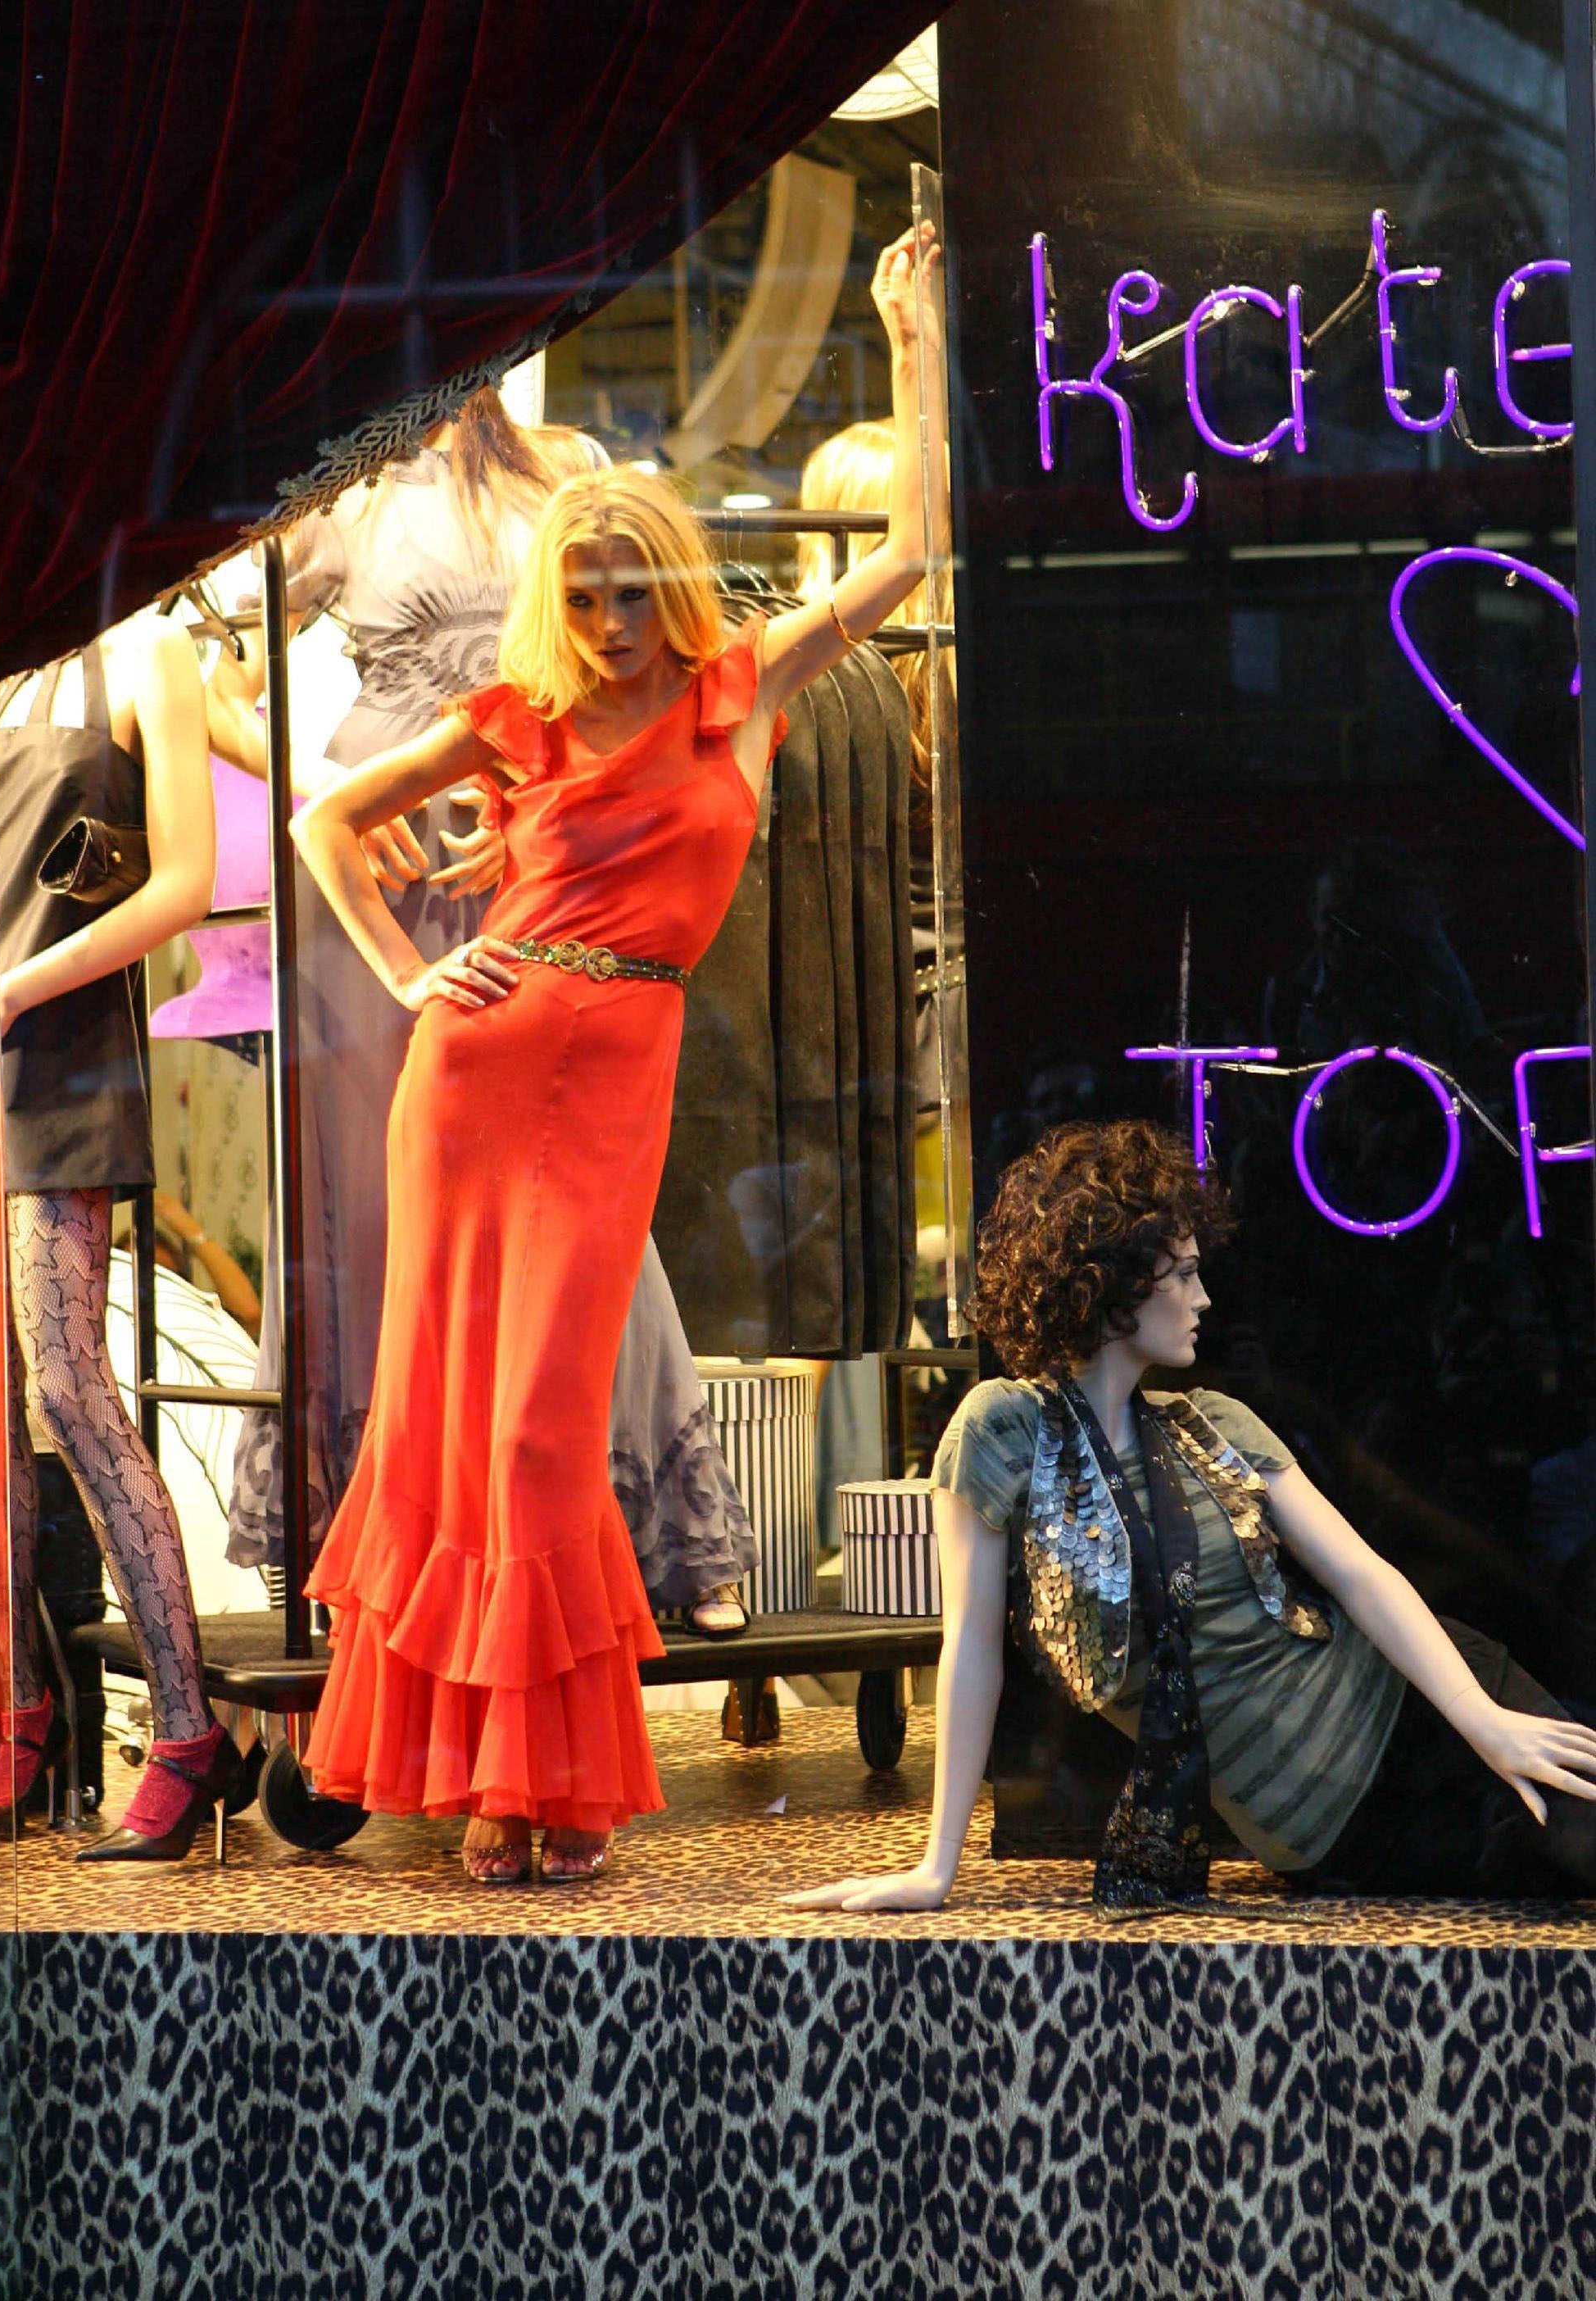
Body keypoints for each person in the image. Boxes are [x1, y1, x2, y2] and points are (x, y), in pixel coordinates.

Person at [290, 225, 941, 1883]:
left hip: (621, 1060)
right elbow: (328, 824)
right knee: (445, 1412)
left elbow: (913, 553)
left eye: (627, 583)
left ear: (668, 578)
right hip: (485, 1065)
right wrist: (408, 977)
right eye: (580, 592)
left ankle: (538, 1775)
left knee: (540, 1427)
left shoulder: (733, 692)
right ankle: (488, 1784)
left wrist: (915, 344)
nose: (606, 612)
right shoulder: (511, 719)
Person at [199, 388, 757, 1631]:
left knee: (582, 1200)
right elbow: (208, 693)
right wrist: (330, 778)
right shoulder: (341, 490)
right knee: (373, 1199)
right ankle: (379, 1541)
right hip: (390, 850)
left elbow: (631, 658)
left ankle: (667, 1534)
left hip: (547, 844)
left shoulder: (572, 471)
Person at [789, 1119, 1596, 1914]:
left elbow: (1362, 1575)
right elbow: (968, 1649)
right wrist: (938, 1867)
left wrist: (1485, 1721)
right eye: (1180, 1275)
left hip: (1427, 1705)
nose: (1202, 1297)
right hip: (1338, 1832)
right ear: (1108, 1286)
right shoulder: (1002, 1430)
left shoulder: (1214, 1423)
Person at [0, 616, 241, 1861]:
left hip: (58, 1048)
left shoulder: (147, 656)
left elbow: (185, 881)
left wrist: (17, 991)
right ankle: (22, 1711)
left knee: (68, 1387)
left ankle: (189, 1732)